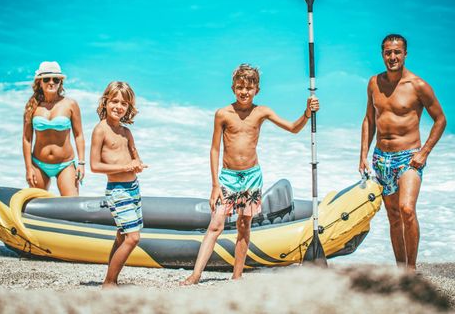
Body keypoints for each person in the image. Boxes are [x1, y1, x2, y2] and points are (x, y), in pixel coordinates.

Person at [181, 64, 319, 285]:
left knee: (244, 226)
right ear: (233, 88)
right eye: (239, 87)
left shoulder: (261, 112)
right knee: (215, 225)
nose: (244, 92)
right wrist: (215, 185)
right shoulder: (223, 114)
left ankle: (237, 277)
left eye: (249, 87)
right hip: (228, 178)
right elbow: (215, 149)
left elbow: (293, 128)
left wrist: (306, 113)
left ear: (257, 89)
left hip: (252, 177)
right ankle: (196, 275)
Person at [359, 34, 446, 271]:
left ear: (405, 54)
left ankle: (411, 268)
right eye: (388, 52)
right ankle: (400, 270)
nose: (393, 57)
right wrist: (363, 156)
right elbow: (369, 120)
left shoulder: (418, 86)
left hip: (409, 157)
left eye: (397, 52)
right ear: (382, 54)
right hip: (380, 159)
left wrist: (424, 152)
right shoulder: (374, 83)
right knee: (394, 216)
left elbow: (440, 120)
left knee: (407, 209)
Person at [90, 81, 148, 288]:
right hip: (117, 191)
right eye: (114, 101)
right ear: (105, 102)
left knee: (122, 235)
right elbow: (94, 166)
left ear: (128, 108)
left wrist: (138, 165)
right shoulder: (100, 130)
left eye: (124, 103)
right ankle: (109, 282)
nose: (118, 106)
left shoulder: (126, 132)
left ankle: (111, 277)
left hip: (133, 188)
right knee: (133, 238)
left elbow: (135, 158)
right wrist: (125, 167)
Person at [23, 61, 85, 196]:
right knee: (36, 206)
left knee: (71, 206)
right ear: (40, 82)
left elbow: (79, 135)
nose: (51, 82)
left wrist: (81, 163)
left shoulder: (70, 104)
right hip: (38, 164)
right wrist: (29, 168)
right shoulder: (32, 106)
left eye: (55, 79)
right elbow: (27, 139)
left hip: (65, 164)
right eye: (46, 79)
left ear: (60, 83)